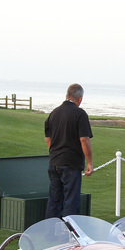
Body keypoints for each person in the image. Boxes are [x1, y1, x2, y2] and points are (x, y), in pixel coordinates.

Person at [44, 83, 93, 217]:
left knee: (54, 200)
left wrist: (55, 153)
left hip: (54, 162)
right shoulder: (80, 114)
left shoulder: (53, 113)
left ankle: (50, 233)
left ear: (67, 95)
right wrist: (90, 163)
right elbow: (84, 139)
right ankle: (69, 233)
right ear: (80, 98)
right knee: (71, 201)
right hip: (71, 164)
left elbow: (48, 139)